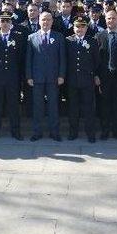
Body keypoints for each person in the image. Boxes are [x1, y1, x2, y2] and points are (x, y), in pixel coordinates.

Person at [25, 11, 66, 141]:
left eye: (48, 20)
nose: (46, 22)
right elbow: (28, 59)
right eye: (43, 20)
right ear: (39, 21)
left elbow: (62, 58)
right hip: (37, 78)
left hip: (54, 78)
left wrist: (61, 75)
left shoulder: (59, 37)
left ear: (52, 21)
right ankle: (37, 132)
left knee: (53, 106)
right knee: (38, 106)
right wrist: (29, 76)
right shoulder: (32, 37)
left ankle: (54, 132)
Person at [0, 11, 25, 140]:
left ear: (11, 23)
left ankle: (16, 132)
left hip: (12, 77)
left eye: (7, 21)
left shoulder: (18, 37)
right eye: (2, 21)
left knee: (13, 105)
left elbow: (20, 58)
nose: (4, 23)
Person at [95, 10, 117, 140]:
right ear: (106, 20)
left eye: (113, 18)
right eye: (108, 18)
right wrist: (96, 75)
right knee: (105, 105)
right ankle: (105, 130)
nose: (111, 21)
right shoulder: (99, 36)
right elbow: (96, 58)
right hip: (104, 76)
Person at [65, 15, 100, 142]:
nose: (79, 29)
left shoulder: (92, 41)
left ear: (86, 28)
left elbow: (96, 61)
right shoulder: (68, 40)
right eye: (77, 26)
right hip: (72, 80)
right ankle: (72, 132)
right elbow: (65, 61)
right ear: (73, 28)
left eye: (82, 26)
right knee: (73, 107)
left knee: (89, 108)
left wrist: (94, 74)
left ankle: (90, 133)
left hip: (87, 80)